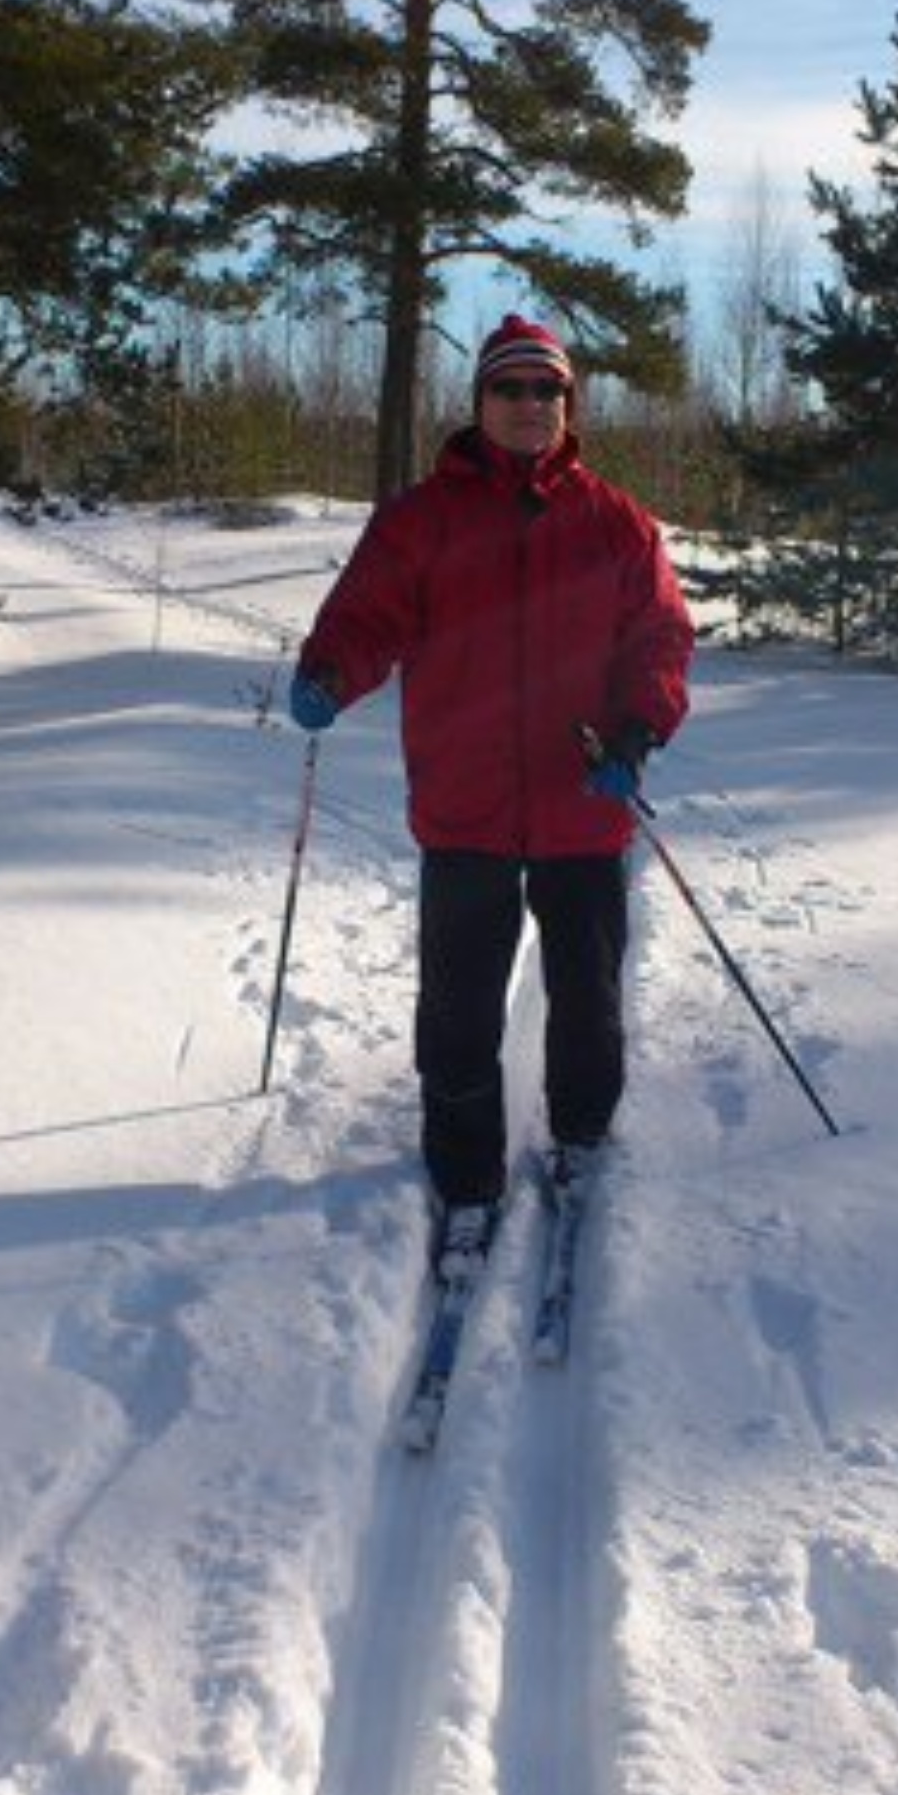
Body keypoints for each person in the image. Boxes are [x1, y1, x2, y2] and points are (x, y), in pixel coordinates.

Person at [287, 313, 694, 1274]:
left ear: (569, 406)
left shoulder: (616, 522)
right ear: (479, 403)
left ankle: (582, 1140)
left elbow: (662, 640)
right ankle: (467, 1175)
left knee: (587, 995)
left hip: (583, 799)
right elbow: (366, 617)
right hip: (466, 802)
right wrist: (327, 673)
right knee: (461, 1003)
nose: (528, 406)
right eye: (510, 389)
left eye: (546, 391)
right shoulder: (421, 519)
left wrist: (637, 732)